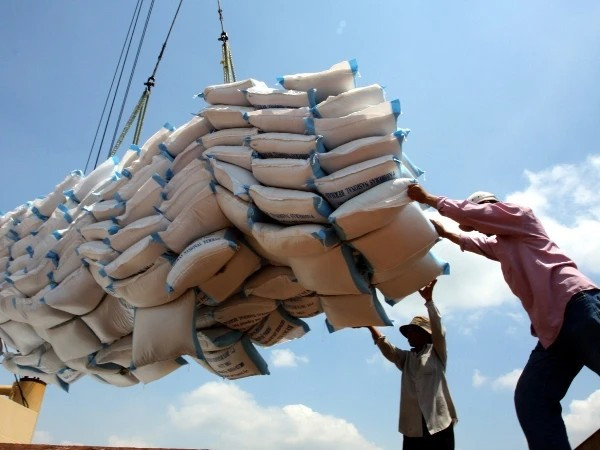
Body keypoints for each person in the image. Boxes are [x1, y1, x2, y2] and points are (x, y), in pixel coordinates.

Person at [407, 184, 600, 450]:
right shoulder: (501, 246)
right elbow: (473, 242)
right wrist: (447, 233)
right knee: (532, 399)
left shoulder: (521, 216)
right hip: (551, 334)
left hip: (576, 305)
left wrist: (429, 199)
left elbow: (481, 216)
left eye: (483, 214)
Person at [366, 279, 457, 450]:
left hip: (438, 423)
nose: (408, 336)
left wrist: (429, 301)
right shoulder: (406, 358)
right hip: (413, 426)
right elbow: (386, 347)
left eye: (413, 331)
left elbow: (439, 331)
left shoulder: (436, 353)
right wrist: (369, 326)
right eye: (407, 333)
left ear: (425, 334)